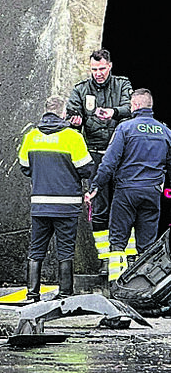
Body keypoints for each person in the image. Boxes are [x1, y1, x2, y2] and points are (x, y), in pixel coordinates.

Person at [86, 89, 171, 281]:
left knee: (117, 242)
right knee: (147, 246)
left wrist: (96, 187)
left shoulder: (125, 129)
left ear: (136, 106)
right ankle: (143, 288)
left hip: (126, 192)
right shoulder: (165, 131)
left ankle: (115, 287)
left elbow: (109, 163)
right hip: (152, 192)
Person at [19, 95, 95, 301]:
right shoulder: (73, 138)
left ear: (46, 111)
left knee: (36, 250)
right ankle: (65, 294)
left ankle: (32, 294)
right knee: (65, 250)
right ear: (64, 113)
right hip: (67, 205)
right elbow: (87, 169)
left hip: (40, 205)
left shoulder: (31, 137)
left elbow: (25, 167)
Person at [66, 48, 133, 265]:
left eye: (102, 68)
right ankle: (105, 259)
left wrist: (113, 112)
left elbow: (130, 108)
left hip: (120, 154)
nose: (98, 73)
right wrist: (74, 120)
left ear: (110, 66)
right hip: (94, 153)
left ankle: (127, 256)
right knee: (99, 207)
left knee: (124, 204)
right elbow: (72, 112)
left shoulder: (122, 84)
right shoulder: (81, 89)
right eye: (94, 69)